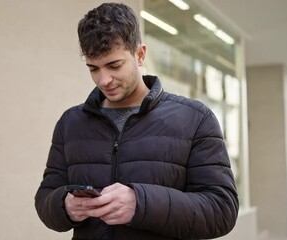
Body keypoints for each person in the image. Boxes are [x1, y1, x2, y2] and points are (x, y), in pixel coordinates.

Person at [35, 2, 239, 240]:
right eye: (93, 68)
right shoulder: (71, 122)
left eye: (114, 65)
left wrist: (141, 203)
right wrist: (65, 205)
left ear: (140, 54)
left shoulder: (195, 119)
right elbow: (45, 199)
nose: (103, 80)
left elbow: (222, 210)